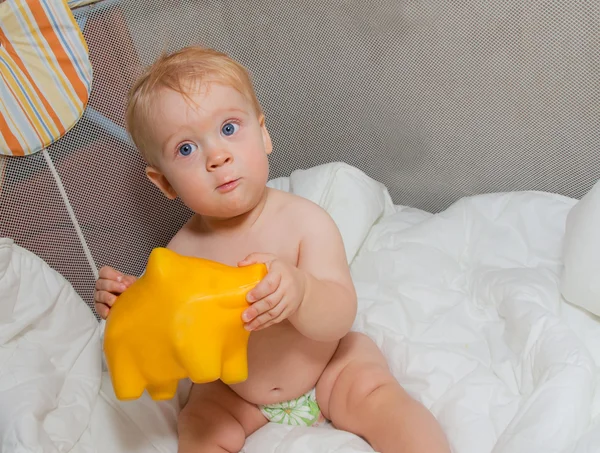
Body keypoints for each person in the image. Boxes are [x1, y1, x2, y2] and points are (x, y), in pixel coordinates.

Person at [94, 46, 450, 453]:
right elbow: (172, 330)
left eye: (229, 128)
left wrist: (300, 291)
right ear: (166, 183)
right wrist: (132, 302)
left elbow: (339, 314)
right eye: (186, 149)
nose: (217, 156)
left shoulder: (304, 222)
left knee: (376, 394)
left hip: (328, 366)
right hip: (239, 392)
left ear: (263, 134)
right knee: (198, 421)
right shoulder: (180, 253)